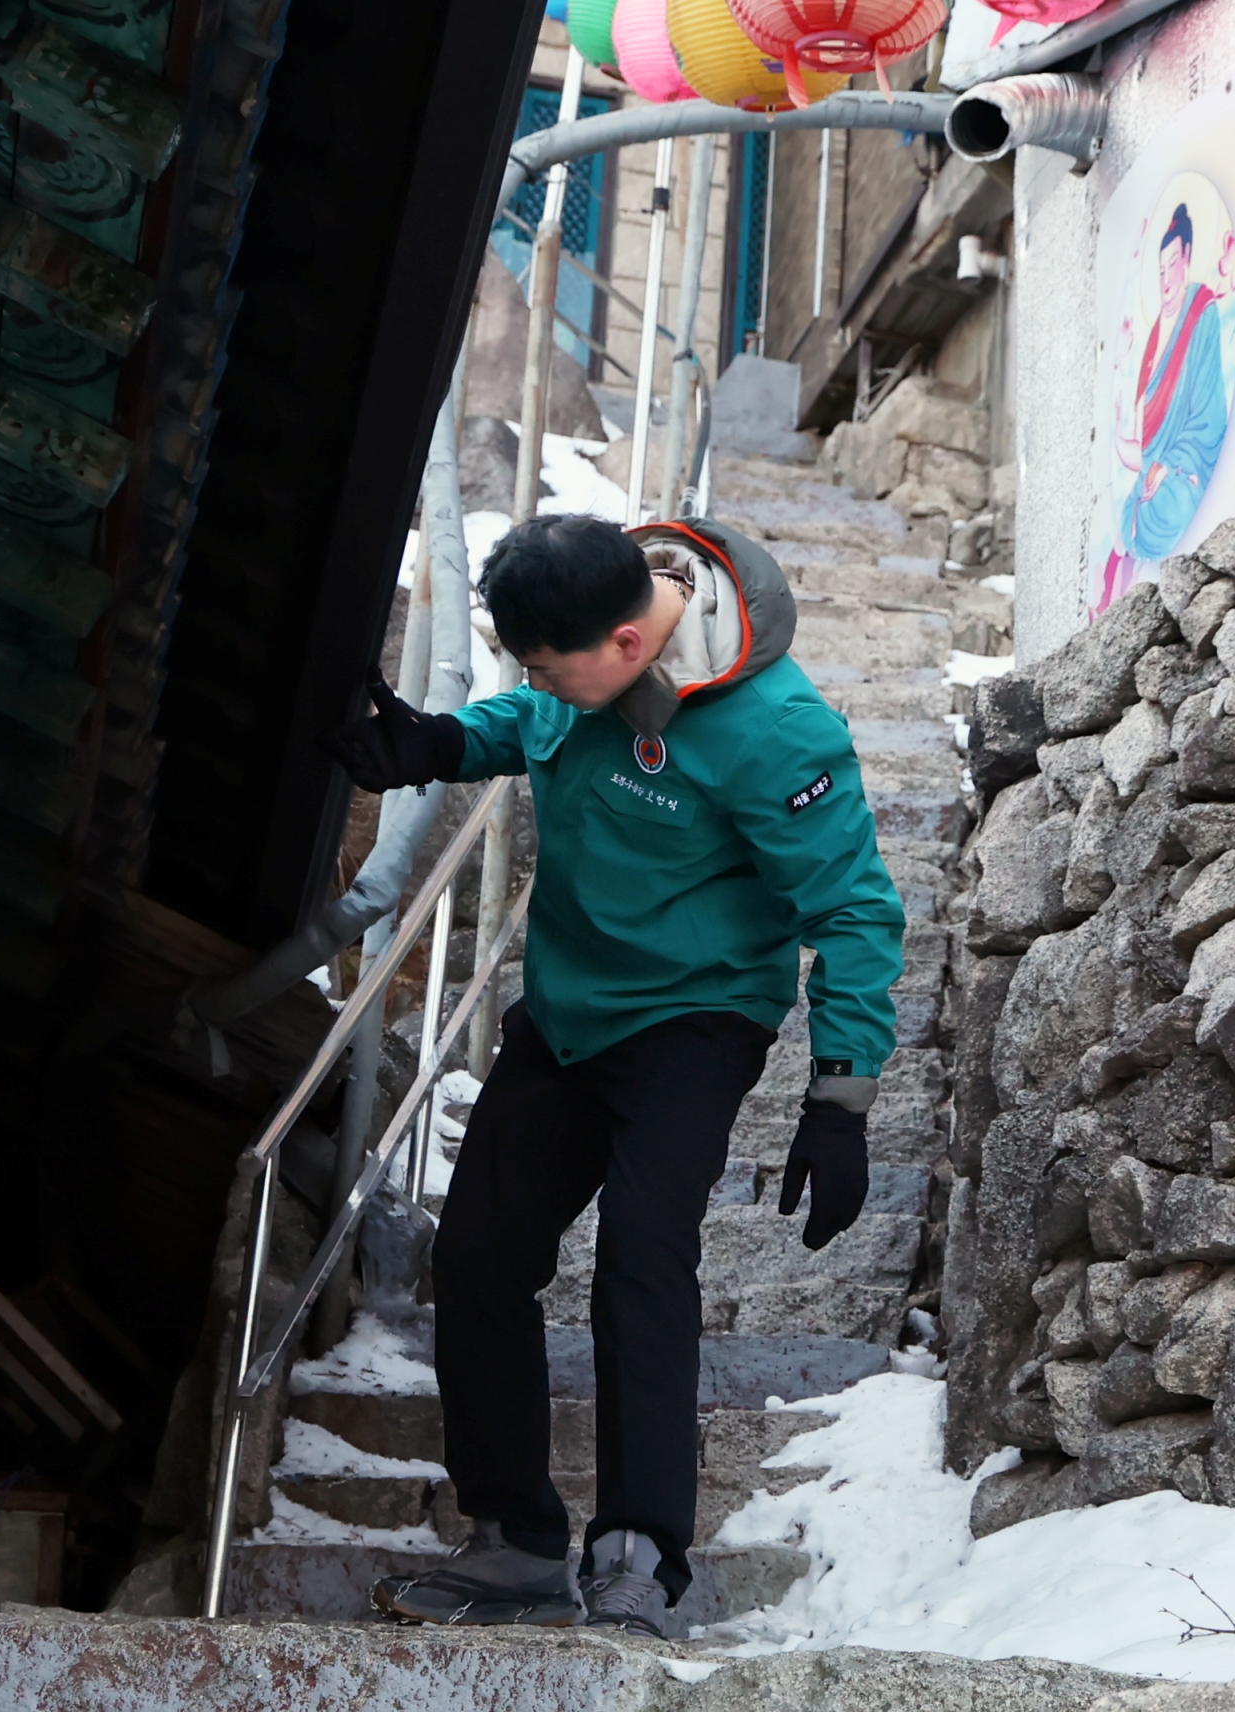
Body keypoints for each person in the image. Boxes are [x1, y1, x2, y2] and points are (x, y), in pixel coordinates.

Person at [324, 512, 904, 1637]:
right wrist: (438, 745)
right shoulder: (588, 626)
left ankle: (642, 1551)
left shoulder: (777, 730)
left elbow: (854, 907)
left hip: (698, 1015)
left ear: (631, 645)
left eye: (547, 665)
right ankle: (517, 1542)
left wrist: (842, 1092)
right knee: (481, 1252)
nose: (536, 680)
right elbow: (535, 719)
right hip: (569, 1009)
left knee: (643, 1256)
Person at [1097, 202, 1231, 614]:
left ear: (1188, 259)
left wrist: (1167, 465)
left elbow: (1208, 420)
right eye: (1159, 270)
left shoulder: (1202, 314)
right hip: (1154, 468)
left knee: (1166, 506)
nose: (1165, 278)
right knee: (1127, 516)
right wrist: (1141, 457)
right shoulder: (1155, 334)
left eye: (1172, 264)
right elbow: (1145, 427)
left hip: (1185, 466)